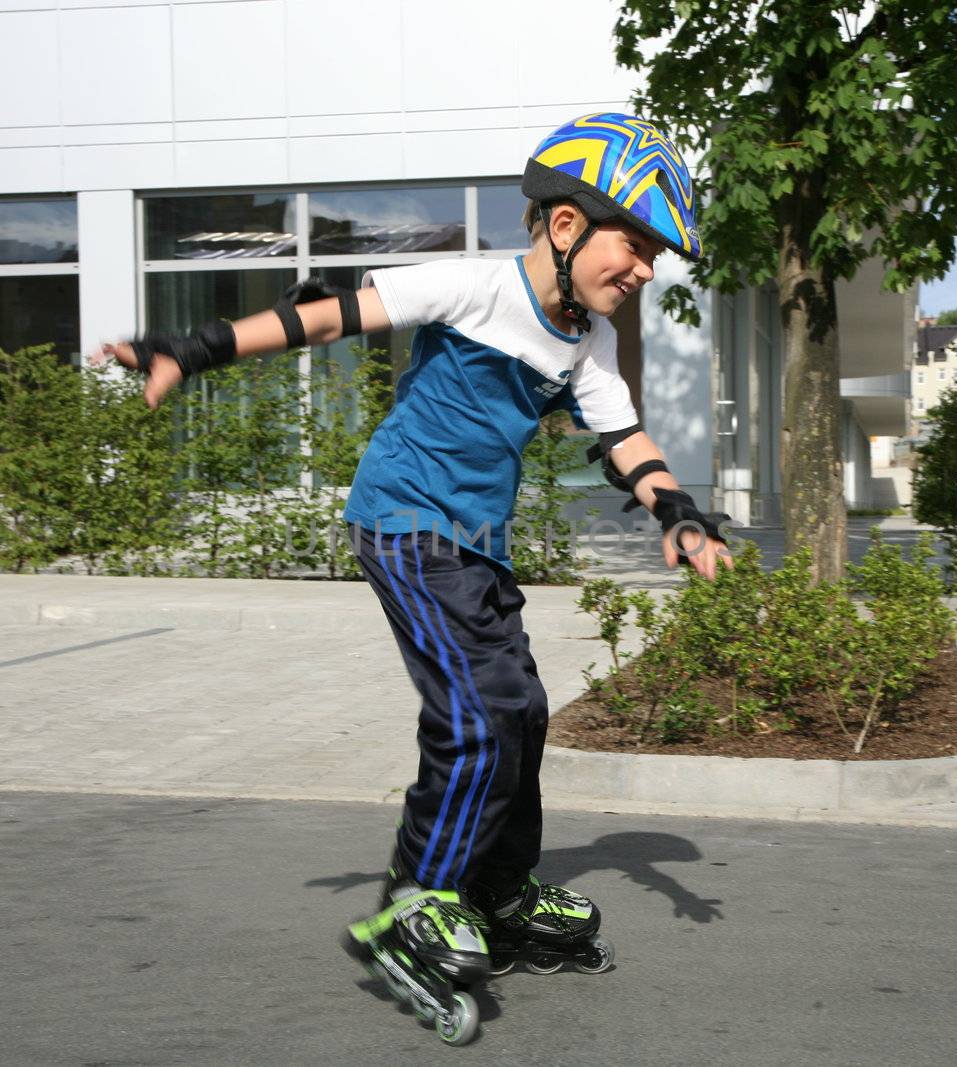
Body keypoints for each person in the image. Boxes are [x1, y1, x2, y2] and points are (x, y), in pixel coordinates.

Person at [101, 112, 732, 1043]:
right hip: (402, 522)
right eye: (633, 245)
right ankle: (416, 898)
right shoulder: (470, 285)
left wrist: (678, 515)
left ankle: (497, 892)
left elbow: (624, 439)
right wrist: (192, 350)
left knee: (522, 711)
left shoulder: (585, 339)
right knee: (477, 714)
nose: (642, 269)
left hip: (475, 543)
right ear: (565, 227)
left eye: (652, 257)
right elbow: (330, 315)